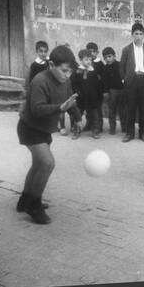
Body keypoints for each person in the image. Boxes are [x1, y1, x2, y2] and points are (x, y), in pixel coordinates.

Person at [16, 45, 81, 225]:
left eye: (70, 72)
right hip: (30, 128)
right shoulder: (39, 80)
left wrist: (77, 117)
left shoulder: (65, 81)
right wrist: (59, 108)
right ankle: (34, 206)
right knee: (47, 163)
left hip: (44, 130)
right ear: (51, 64)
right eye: (64, 71)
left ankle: (24, 200)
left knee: (38, 165)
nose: (67, 75)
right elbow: (37, 109)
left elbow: (70, 100)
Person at [120, 23, 144, 143]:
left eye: (140, 34)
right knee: (131, 108)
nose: (138, 36)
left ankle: (142, 133)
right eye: (136, 34)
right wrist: (125, 80)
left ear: (143, 35)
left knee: (143, 109)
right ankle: (129, 133)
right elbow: (121, 66)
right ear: (132, 35)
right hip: (131, 82)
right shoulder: (127, 50)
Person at [70, 49, 102, 139]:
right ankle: (77, 131)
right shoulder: (77, 72)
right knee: (78, 115)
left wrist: (98, 95)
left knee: (93, 115)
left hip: (92, 97)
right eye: (86, 60)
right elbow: (74, 84)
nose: (89, 62)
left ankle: (95, 131)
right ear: (81, 60)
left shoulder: (93, 71)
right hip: (81, 97)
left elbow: (98, 84)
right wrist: (77, 93)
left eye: (90, 59)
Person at [101, 47, 126, 135]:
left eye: (109, 56)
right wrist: (106, 91)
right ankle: (112, 127)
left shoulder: (120, 65)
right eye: (105, 58)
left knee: (123, 110)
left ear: (114, 56)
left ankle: (124, 127)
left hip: (122, 90)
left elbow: (125, 77)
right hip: (112, 91)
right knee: (112, 110)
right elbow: (104, 82)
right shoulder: (105, 68)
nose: (107, 59)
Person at [86, 42, 104, 133]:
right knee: (88, 109)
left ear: (97, 52)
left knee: (97, 110)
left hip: (97, 92)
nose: (91, 54)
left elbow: (103, 79)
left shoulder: (100, 64)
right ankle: (89, 124)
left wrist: (103, 91)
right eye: (89, 52)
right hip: (88, 91)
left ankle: (98, 126)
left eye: (93, 52)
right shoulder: (87, 63)